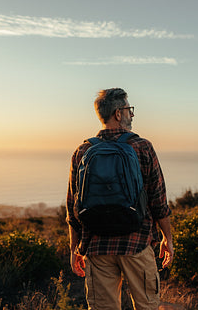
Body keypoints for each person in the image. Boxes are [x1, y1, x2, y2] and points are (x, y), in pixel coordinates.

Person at [66, 88, 173, 310]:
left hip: (97, 246)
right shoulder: (142, 146)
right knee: (147, 306)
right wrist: (167, 238)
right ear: (117, 114)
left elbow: (73, 207)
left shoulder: (82, 151)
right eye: (128, 109)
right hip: (137, 243)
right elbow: (158, 199)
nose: (131, 114)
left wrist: (74, 248)